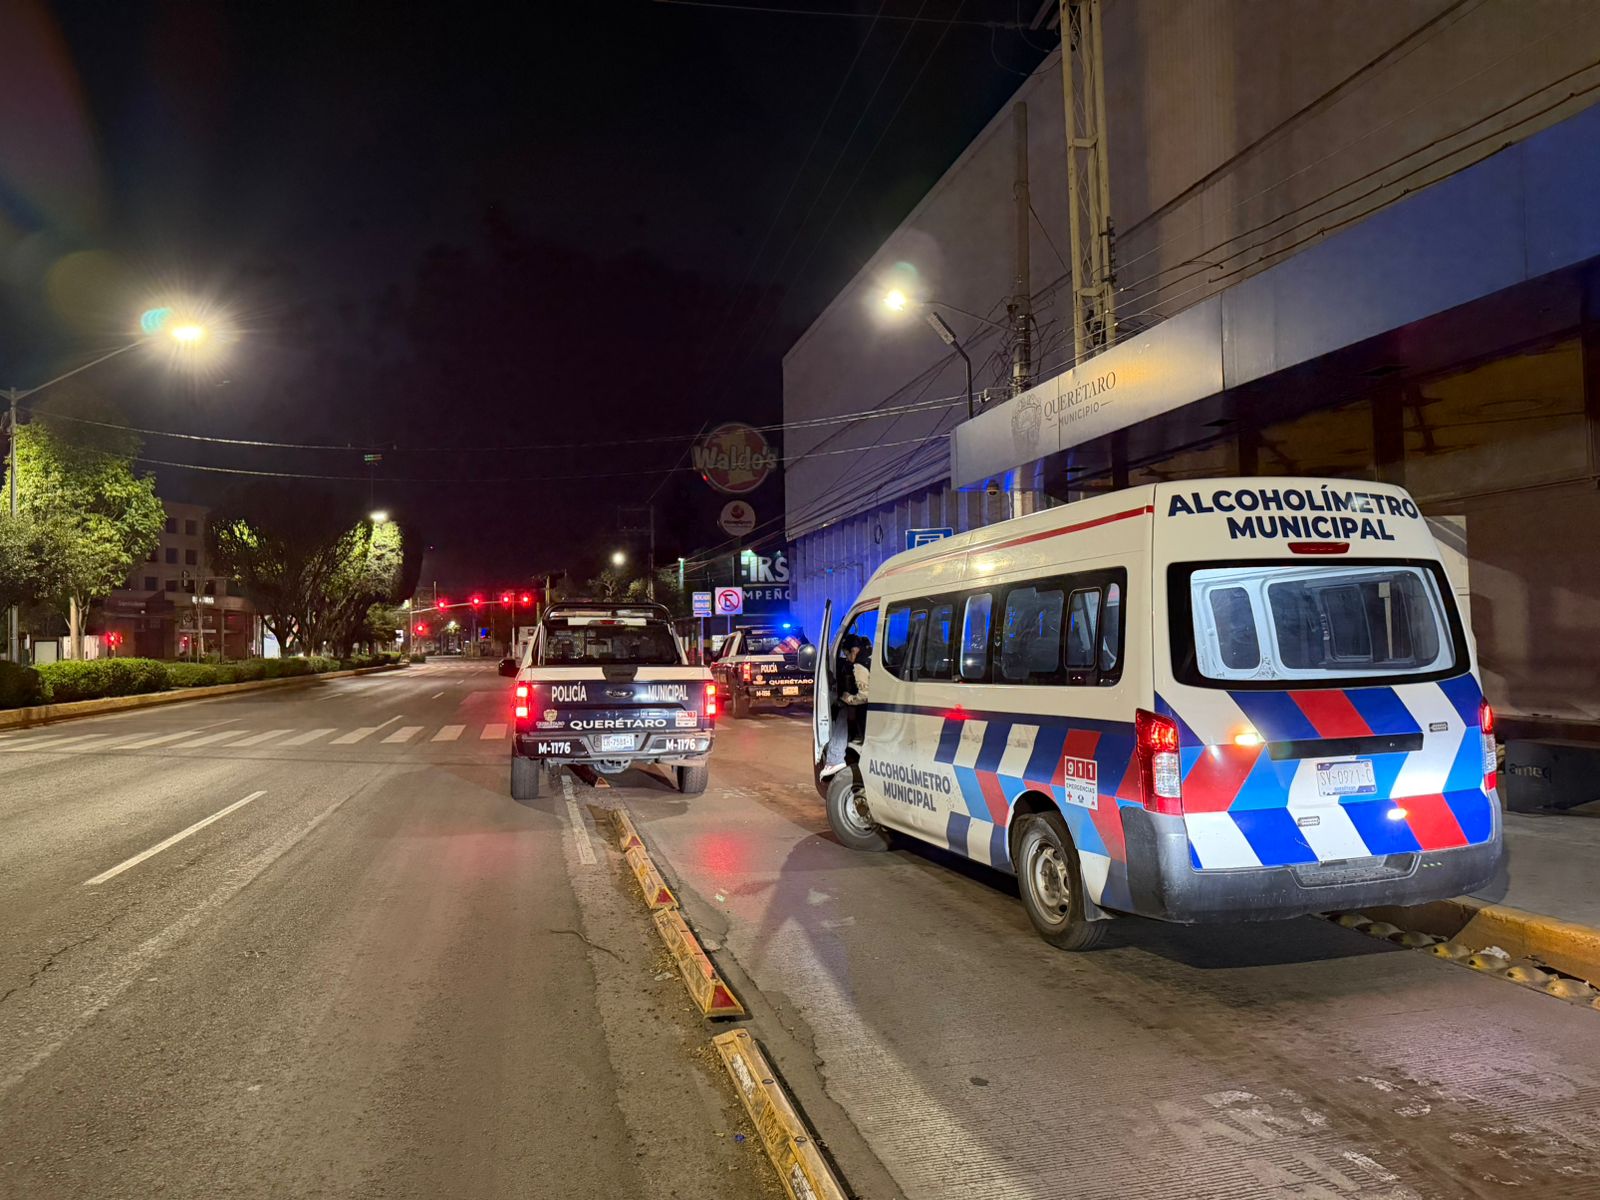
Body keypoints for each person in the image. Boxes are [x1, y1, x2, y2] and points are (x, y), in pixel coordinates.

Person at [819, 635, 867, 779]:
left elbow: (864, 696)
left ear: (853, 650)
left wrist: (848, 698)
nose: (847, 658)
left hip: (868, 707)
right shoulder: (870, 658)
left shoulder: (860, 665)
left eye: (846, 654)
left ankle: (835, 758)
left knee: (843, 711)